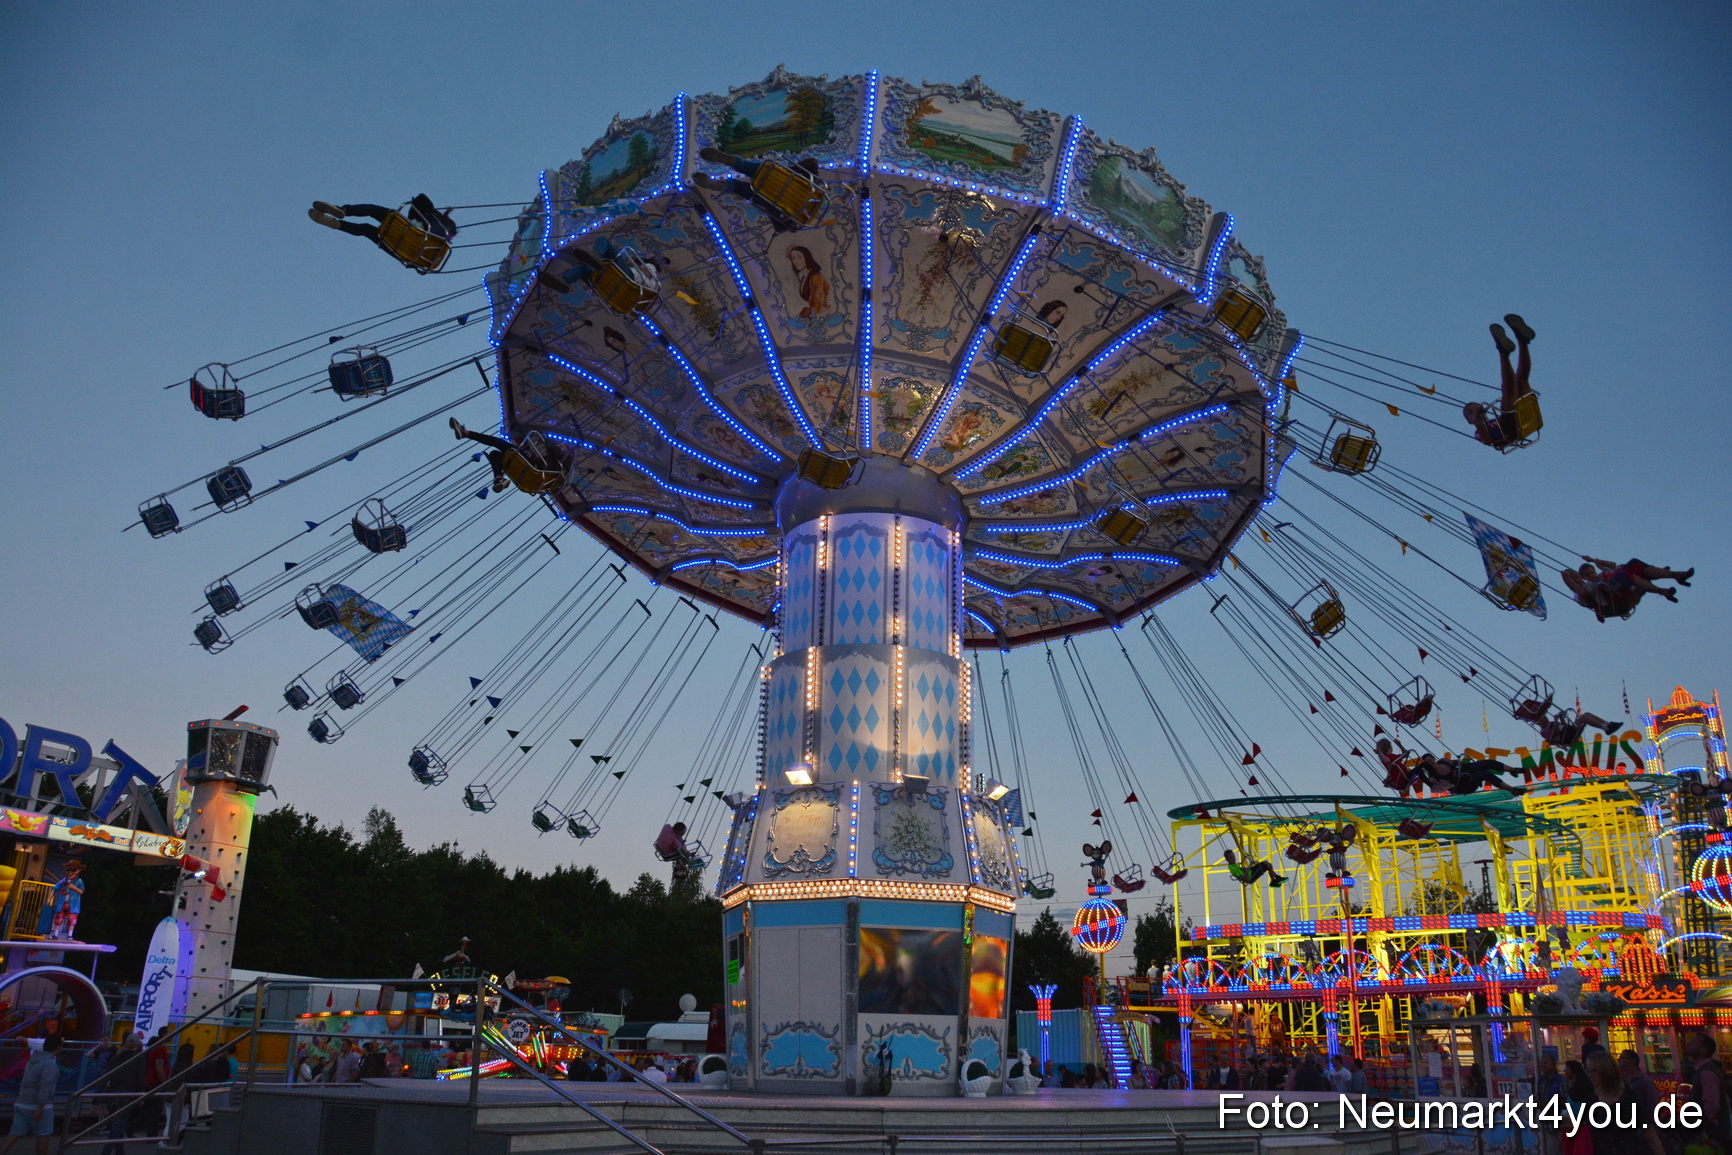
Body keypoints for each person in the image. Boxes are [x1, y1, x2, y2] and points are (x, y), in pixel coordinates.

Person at [692, 148, 823, 230]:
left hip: (776, 177)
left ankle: (731, 161)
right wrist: (788, 225)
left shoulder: (812, 190)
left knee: (746, 166)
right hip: (767, 198)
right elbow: (780, 226)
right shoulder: (798, 216)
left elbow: (812, 162)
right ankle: (720, 185)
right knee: (737, 187)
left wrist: (804, 178)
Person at [1464, 315, 1537, 449]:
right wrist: (1477, 422)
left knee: (1520, 381)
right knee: (1508, 391)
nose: (1477, 411)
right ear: (1469, 421)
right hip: (1511, 430)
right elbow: (1488, 441)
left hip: (1521, 417)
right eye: (1470, 413)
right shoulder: (1478, 431)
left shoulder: (1493, 420)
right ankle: (1504, 352)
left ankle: (1522, 340)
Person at [1563, 557, 1694, 623]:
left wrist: (1593, 560)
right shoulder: (1582, 591)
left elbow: (1612, 565)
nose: (1590, 576)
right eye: (1573, 578)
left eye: (1575, 575)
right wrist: (1566, 578)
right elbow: (1581, 592)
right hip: (1614, 601)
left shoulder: (1600, 575)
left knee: (1633, 563)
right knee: (1621, 575)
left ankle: (1675, 575)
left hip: (1621, 588)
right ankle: (1661, 590)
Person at [450, 417, 563, 494]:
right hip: (529, 476)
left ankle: (466, 433)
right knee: (494, 454)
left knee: (500, 443)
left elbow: (554, 450)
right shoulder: (556, 477)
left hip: (534, 469)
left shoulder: (562, 463)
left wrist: (546, 439)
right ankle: (499, 479)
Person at [1586, 1050, 1666, 1155]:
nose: (1590, 1075)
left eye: (1594, 1071)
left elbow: (1650, 1134)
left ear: (1606, 1071)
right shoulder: (1590, 1101)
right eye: (1588, 1071)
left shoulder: (1628, 1099)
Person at [308, 195, 457, 247]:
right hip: (397, 248)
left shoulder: (433, 222)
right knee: (366, 230)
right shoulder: (439, 246)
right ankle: (338, 225)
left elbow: (420, 203)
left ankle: (344, 211)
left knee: (372, 210)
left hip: (403, 229)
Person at [3, 1035, 61, 1155]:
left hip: (21, 1101)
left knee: (14, 1133)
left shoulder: (32, 1061)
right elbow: (45, 1087)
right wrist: (40, 1108)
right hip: (38, 1106)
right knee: (43, 1134)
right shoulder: (50, 1064)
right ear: (58, 1047)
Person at [1683, 1033, 1731, 1155]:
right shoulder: (1704, 1070)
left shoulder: (1706, 1073)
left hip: (1711, 1135)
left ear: (1703, 1051)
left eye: (1694, 1042)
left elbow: (1712, 1106)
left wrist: (1701, 1128)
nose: (1688, 1044)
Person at [98, 1033, 146, 1155]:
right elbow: (140, 1078)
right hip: (128, 1095)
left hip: (113, 1094)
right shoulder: (139, 1058)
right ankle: (106, 1152)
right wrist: (141, 1096)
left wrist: (98, 1097)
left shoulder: (116, 1058)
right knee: (118, 1126)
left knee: (118, 1124)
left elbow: (106, 1076)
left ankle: (120, 1152)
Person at [38, 860, 85, 941]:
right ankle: (56, 934)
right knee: (59, 917)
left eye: (73, 870)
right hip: (63, 902)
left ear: (78, 870)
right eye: (68, 869)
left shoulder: (79, 881)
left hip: (73, 904)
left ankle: (70, 935)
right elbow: (55, 888)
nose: (70, 872)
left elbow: (81, 891)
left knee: (72, 919)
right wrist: (49, 898)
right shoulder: (64, 880)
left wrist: (73, 887)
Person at [1562, 1059, 1596, 1155]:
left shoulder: (1581, 1086)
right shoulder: (1576, 1084)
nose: (1565, 1071)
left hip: (1580, 1124)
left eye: (1567, 1069)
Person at [1537, 1052, 1565, 1155]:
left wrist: (1550, 1104)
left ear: (1553, 1065)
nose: (1542, 1065)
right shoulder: (1541, 1080)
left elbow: (1567, 1101)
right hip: (1547, 1122)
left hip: (1559, 1121)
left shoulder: (1561, 1080)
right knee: (1550, 1149)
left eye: (1545, 1063)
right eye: (1541, 1063)